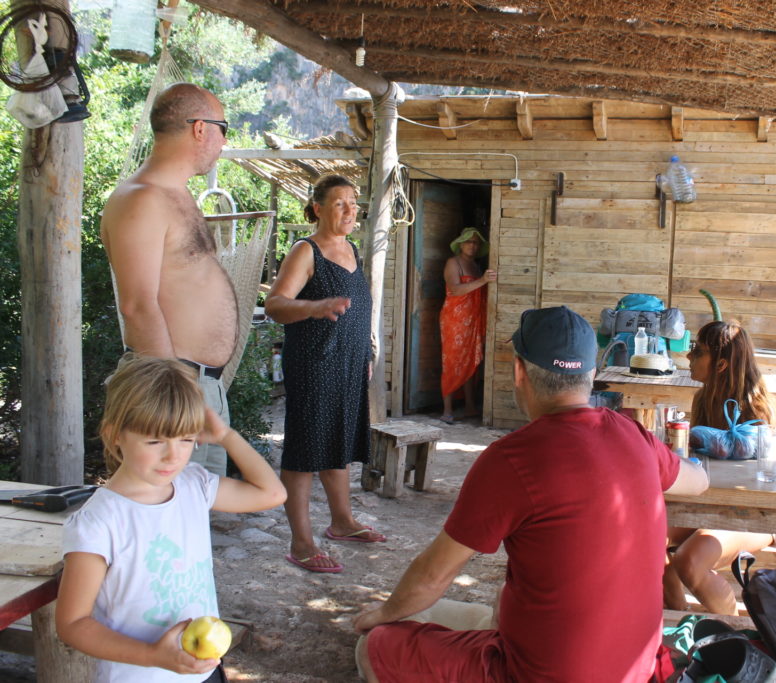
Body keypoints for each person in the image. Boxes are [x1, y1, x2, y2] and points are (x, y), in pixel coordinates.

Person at [353, 306, 709, 682]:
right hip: (636, 671)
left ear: (519, 371)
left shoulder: (511, 459)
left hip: (533, 674)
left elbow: (432, 576)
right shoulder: (636, 438)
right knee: (460, 612)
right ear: (592, 374)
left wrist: (381, 615)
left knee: (376, 644)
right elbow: (697, 482)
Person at [54, 356, 286, 682]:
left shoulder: (193, 484)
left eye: (187, 439)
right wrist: (152, 655)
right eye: (154, 441)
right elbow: (73, 624)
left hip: (203, 669)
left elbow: (272, 493)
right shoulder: (99, 523)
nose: (173, 456)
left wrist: (225, 436)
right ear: (114, 434)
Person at [101, 82, 236, 477]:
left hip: (198, 387)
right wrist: (176, 399)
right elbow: (137, 306)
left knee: (192, 522)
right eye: (223, 129)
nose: (224, 143)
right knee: (160, 522)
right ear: (200, 129)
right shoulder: (141, 199)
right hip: (171, 389)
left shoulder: (176, 195)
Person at [265, 174, 381, 574]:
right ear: (317, 208)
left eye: (353, 203)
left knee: (339, 440)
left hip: (348, 362)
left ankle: (343, 522)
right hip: (314, 363)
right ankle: (301, 544)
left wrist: (364, 353)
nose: (350, 210)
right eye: (339, 203)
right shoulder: (306, 250)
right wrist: (314, 308)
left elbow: (357, 309)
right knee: (303, 452)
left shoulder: (351, 249)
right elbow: (275, 304)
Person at [664, 320, 776, 615]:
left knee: (690, 559)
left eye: (698, 351)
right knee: (648, 539)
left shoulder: (757, 409)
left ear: (720, 365)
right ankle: (680, 631)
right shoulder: (704, 397)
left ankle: (733, 636)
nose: (689, 357)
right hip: (710, 505)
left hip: (756, 514)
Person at [439, 227, 496, 424]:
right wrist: (482, 281)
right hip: (455, 319)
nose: (472, 245)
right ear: (460, 244)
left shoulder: (476, 265)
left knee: (473, 360)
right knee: (453, 361)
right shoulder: (453, 263)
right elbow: (455, 290)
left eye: (476, 242)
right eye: (469, 241)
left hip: (473, 319)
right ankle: (447, 410)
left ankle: (471, 406)